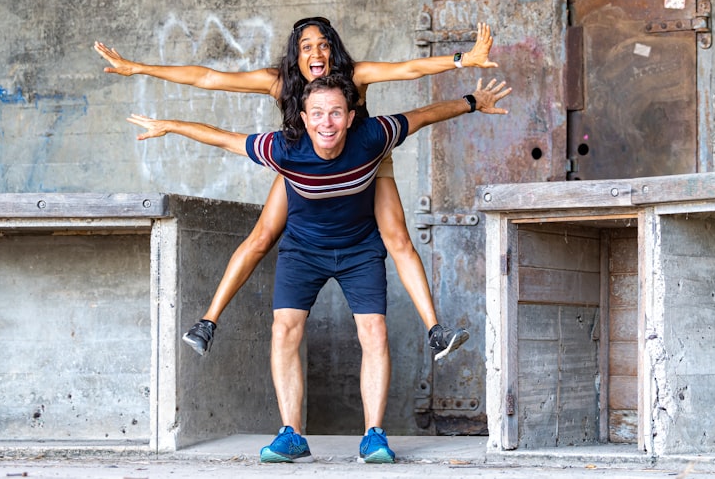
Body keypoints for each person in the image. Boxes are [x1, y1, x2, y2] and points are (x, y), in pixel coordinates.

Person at [127, 73, 512, 463]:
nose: (326, 122)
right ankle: (291, 435)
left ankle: (373, 437)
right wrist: (170, 125)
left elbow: (425, 114)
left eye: (334, 113)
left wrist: (473, 101)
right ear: (305, 119)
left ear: (349, 117)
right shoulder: (283, 148)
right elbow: (222, 137)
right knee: (284, 328)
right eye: (317, 114)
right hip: (303, 250)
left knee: (374, 330)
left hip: (359, 248)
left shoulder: (373, 136)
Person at [95, 17, 497, 360]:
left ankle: (435, 332)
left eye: (323, 44)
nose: (316, 52)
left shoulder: (353, 76)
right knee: (261, 238)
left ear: (332, 50)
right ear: (297, 54)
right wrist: (138, 69)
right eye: (307, 46)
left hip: (365, 159)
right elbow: (208, 77)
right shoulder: (279, 83)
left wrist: (463, 59)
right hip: (305, 166)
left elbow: (409, 69)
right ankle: (207, 322)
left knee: (398, 239)